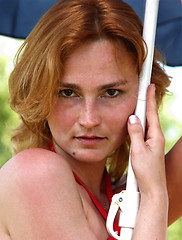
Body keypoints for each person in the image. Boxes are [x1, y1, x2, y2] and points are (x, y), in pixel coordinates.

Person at [0, 0, 178, 239]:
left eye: (111, 92)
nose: (89, 119)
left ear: (145, 93)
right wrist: (155, 197)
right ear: (38, 94)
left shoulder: (123, 197)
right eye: (68, 93)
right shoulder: (34, 175)